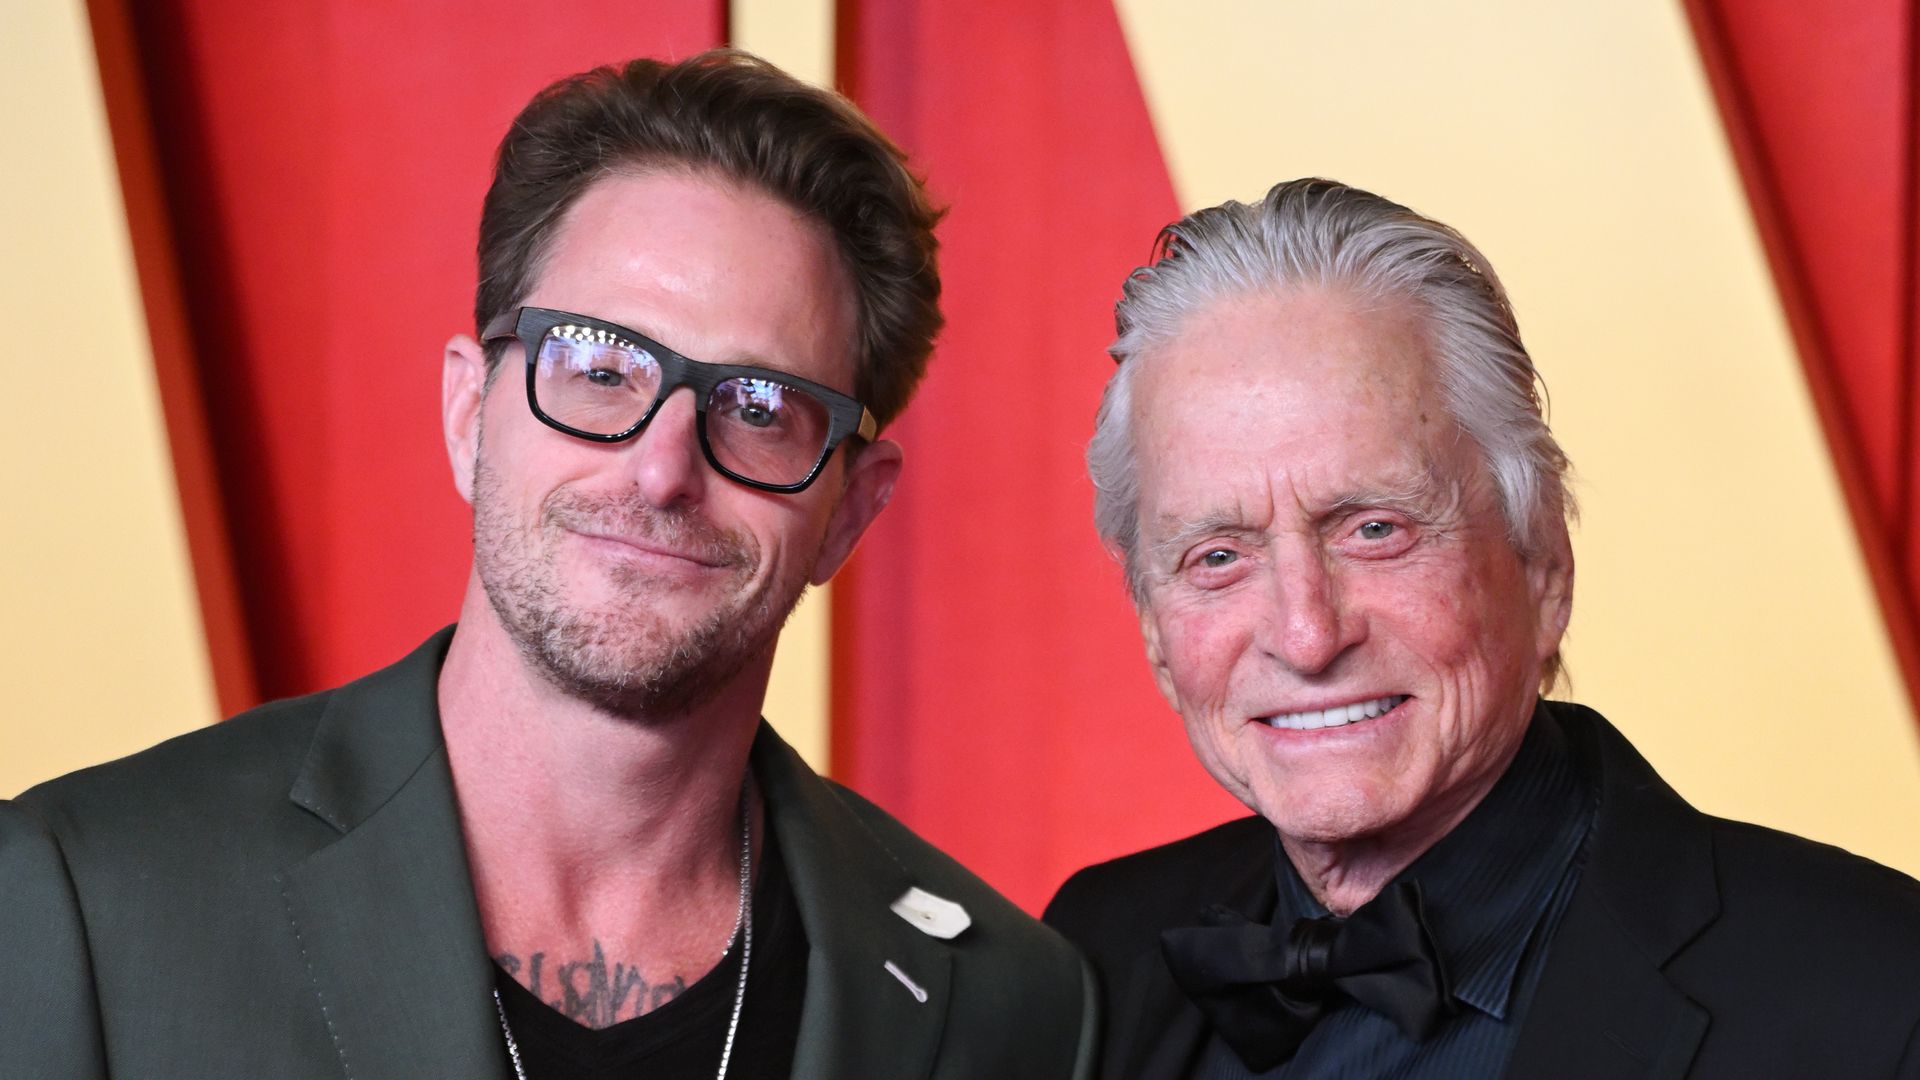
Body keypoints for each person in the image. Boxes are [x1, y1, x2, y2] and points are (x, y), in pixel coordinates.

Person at [2, 50, 1092, 1080]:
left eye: (759, 408)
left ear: (849, 511)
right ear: (469, 413)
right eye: (600, 368)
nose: (662, 470)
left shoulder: (1010, 1007)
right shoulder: (85, 900)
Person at [1044, 177, 1920, 1078]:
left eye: (1375, 529)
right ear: (1155, 631)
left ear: (1543, 568)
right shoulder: (1084, 962)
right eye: (1219, 556)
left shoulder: (1885, 1000)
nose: (1306, 636)